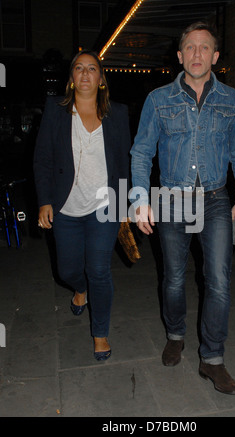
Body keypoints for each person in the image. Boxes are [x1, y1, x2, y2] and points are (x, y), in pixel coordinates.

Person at [130, 22, 235, 394]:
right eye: (190, 47)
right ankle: (174, 334)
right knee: (173, 277)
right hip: (170, 198)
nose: (197, 54)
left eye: (205, 48)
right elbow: (141, 152)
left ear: (215, 56)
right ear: (180, 55)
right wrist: (139, 200)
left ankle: (212, 359)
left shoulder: (231, 99)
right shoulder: (157, 100)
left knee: (218, 281)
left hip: (216, 200)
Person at [34, 50, 131, 361]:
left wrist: (125, 205)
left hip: (104, 207)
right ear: (72, 78)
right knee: (68, 270)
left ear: (101, 79)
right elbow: (43, 159)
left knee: (99, 270)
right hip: (66, 208)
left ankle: (100, 334)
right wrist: (44, 201)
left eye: (92, 69)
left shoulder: (118, 114)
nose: (86, 74)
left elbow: (124, 164)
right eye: (79, 68)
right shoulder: (55, 111)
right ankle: (79, 289)